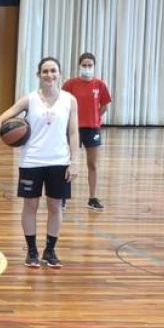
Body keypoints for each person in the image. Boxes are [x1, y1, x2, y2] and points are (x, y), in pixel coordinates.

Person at [0, 56, 80, 269]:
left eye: (53, 71)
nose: (49, 75)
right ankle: (31, 250)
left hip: (59, 161)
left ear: (60, 74)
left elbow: (73, 133)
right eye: (45, 71)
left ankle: (50, 250)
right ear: (38, 75)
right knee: (31, 205)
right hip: (32, 161)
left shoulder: (69, 100)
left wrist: (75, 161)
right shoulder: (29, 99)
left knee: (56, 206)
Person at [61, 52, 112, 210]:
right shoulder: (70, 84)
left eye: (90, 65)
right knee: (67, 162)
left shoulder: (100, 85)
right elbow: (63, 104)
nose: (87, 68)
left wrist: (95, 117)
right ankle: (62, 196)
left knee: (92, 164)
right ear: (79, 66)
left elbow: (104, 105)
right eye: (84, 65)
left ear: (94, 66)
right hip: (72, 128)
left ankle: (92, 198)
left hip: (92, 128)